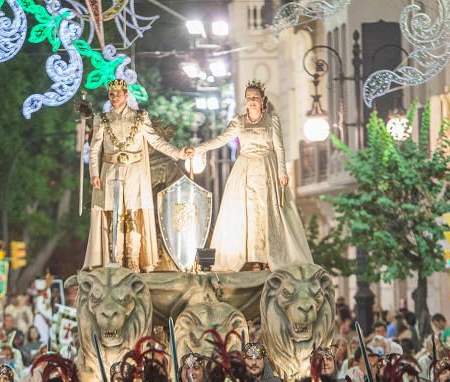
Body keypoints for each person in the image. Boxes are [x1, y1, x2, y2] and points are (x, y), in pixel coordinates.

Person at [196, 80, 314, 272]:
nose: (251, 101)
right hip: (245, 171)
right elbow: (220, 139)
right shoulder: (239, 122)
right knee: (246, 213)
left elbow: (279, 147)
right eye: (248, 98)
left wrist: (281, 171)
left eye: (255, 98)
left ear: (262, 100)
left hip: (266, 169)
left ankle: (268, 255)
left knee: (267, 212)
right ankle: (252, 257)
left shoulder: (271, 120)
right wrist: (198, 149)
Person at [84, 79, 192, 272]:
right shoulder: (102, 119)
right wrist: (94, 173)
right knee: (114, 216)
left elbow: (157, 142)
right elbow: (94, 150)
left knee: (133, 214)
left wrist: (178, 153)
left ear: (126, 95)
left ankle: (133, 259)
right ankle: (116, 258)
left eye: (118, 94)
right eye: (111, 94)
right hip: (110, 170)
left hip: (134, 171)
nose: (114, 97)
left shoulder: (140, 118)